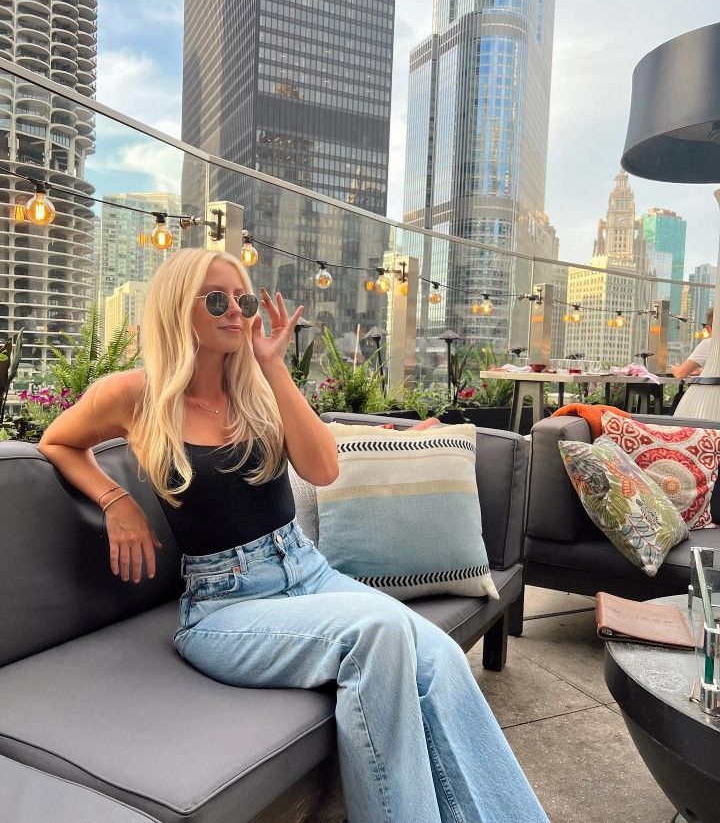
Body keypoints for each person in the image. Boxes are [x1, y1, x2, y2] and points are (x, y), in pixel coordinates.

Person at [38, 248, 548, 822]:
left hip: (306, 571)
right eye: (216, 300)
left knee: (441, 661)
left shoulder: (256, 388)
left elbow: (323, 470)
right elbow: (57, 441)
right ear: (177, 310)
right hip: (223, 606)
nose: (236, 311)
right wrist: (116, 500)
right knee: (380, 632)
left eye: (243, 299)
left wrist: (272, 366)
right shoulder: (134, 395)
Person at [672, 308, 713, 379]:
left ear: (708, 328)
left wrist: (675, 369)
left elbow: (681, 373)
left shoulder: (709, 343)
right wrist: (702, 371)